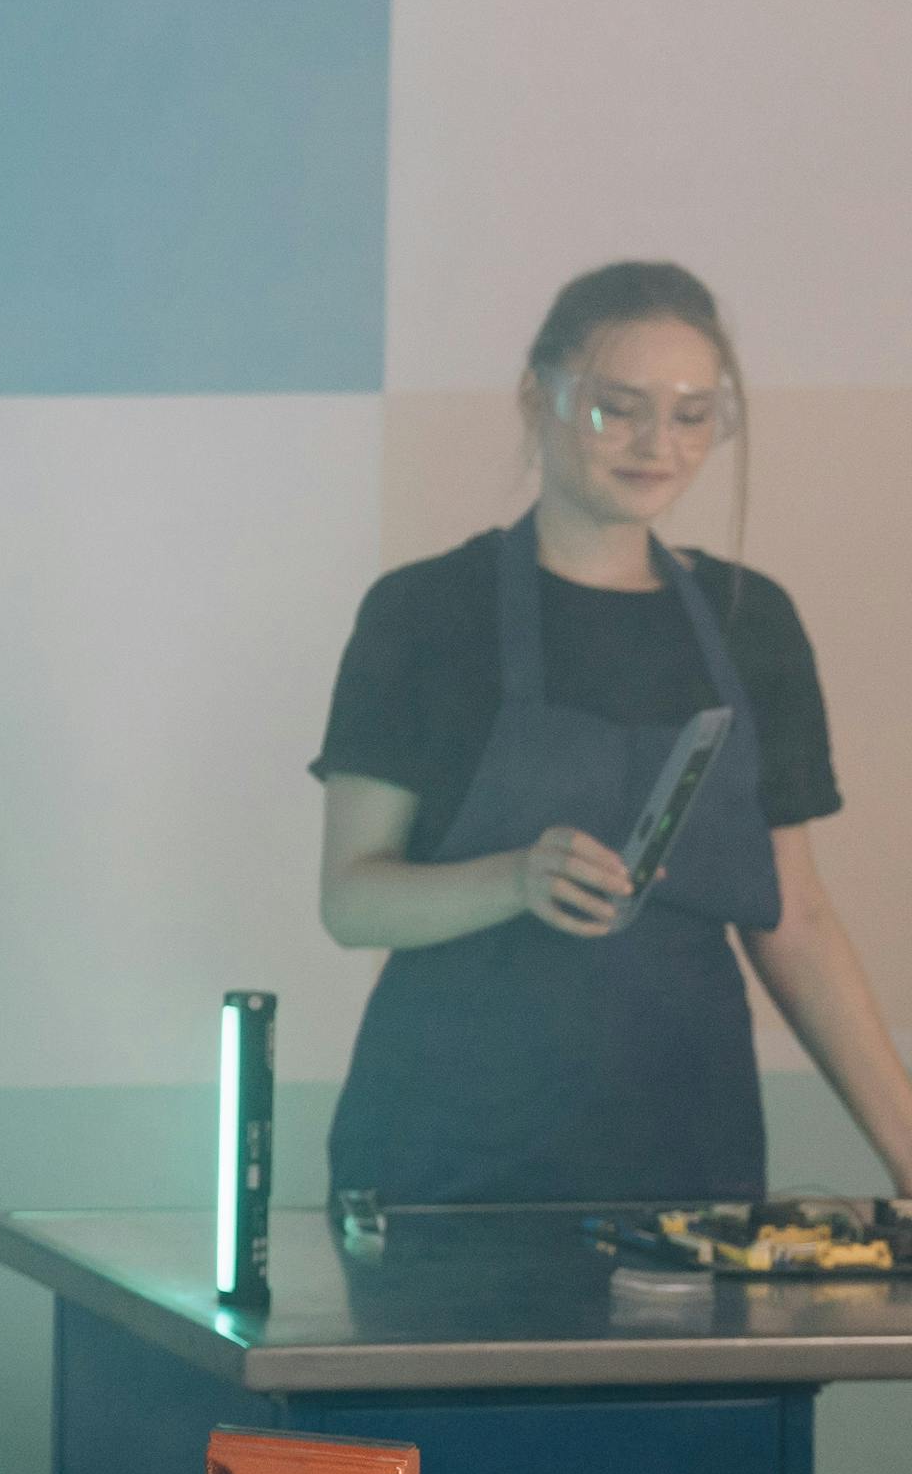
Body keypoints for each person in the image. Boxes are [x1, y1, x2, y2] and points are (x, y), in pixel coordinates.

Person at [318, 260, 912, 1205]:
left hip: (687, 1144)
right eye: (617, 408)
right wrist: (516, 877)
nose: (656, 444)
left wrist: (905, 1145)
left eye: (691, 415)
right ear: (536, 398)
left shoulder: (750, 622)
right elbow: (353, 901)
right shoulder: (426, 613)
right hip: (447, 1152)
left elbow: (793, 919)